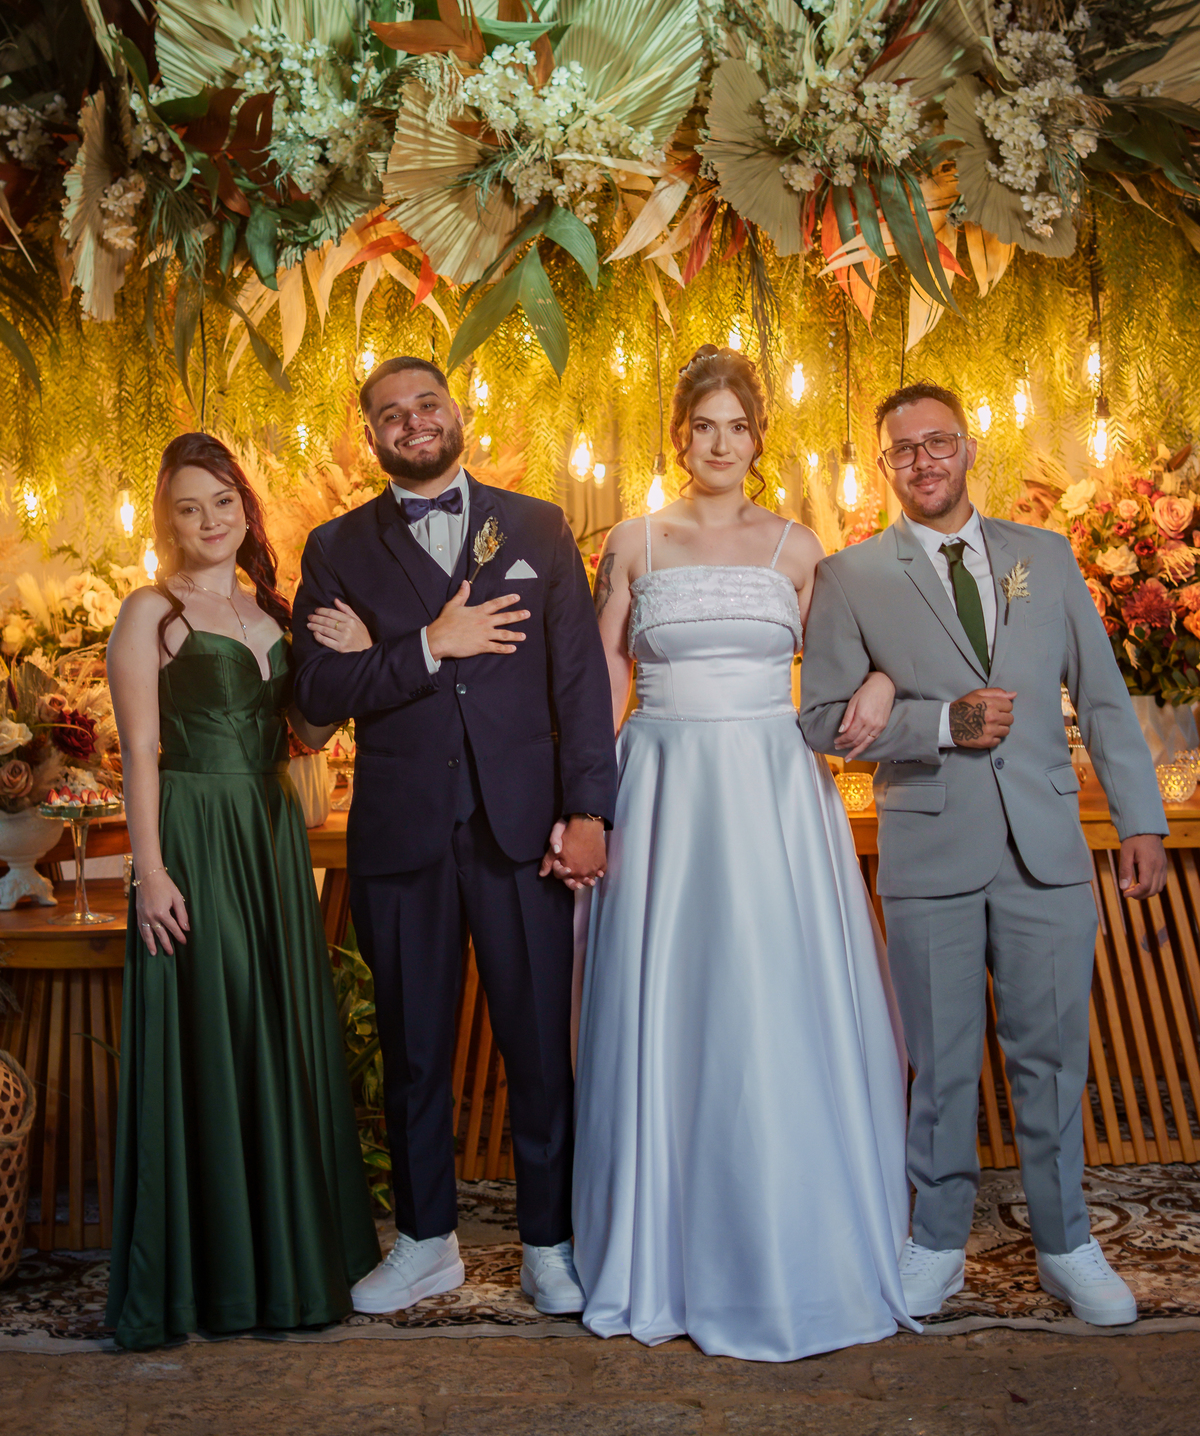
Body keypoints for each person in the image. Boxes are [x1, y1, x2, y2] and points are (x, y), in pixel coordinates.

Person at [572, 343, 918, 1361]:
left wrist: (882, 684)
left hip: (772, 786)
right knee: (673, 994)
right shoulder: (634, 541)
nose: (720, 445)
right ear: (679, 437)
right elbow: (604, 682)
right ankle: (662, 1245)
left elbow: (855, 659)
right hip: (662, 783)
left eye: (738, 428)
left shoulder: (799, 548)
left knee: (770, 991)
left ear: (759, 439)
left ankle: (795, 1231)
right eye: (703, 428)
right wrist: (586, 801)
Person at [799, 381, 1169, 1327]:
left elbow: (1103, 699)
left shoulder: (1046, 556)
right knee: (941, 1065)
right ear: (885, 467)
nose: (923, 461)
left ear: (969, 449)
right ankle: (935, 1244)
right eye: (904, 450)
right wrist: (938, 723)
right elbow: (821, 720)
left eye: (938, 442)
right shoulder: (851, 577)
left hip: (1047, 850)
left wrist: (1141, 822)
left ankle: (1066, 1245)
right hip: (931, 852)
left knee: (1054, 1059)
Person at [292, 356, 616, 1318]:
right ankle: (426, 1242)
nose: (412, 421)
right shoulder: (337, 548)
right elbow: (318, 693)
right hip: (402, 836)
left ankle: (548, 1244)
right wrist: (430, 645)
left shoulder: (538, 527)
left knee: (538, 1049)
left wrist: (589, 811)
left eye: (426, 404)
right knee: (415, 1050)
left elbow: (578, 682)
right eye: (390, 414)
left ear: (458, 411)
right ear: (371, 437)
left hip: (524, 832)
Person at [105, 433, 379, 1351]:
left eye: (222, 502)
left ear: (244, 509)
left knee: (273, 1029)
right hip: (194, 832)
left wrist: (354, 656)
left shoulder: (274, 611)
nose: (209, 520)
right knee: (214, 1026)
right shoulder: (150, 613)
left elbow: (305, 731)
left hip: (268, 835)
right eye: (189, 507)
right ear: (168, 520)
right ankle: (211, 1278)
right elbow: (140, 752)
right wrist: (151, 871)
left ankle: (286, 1267)